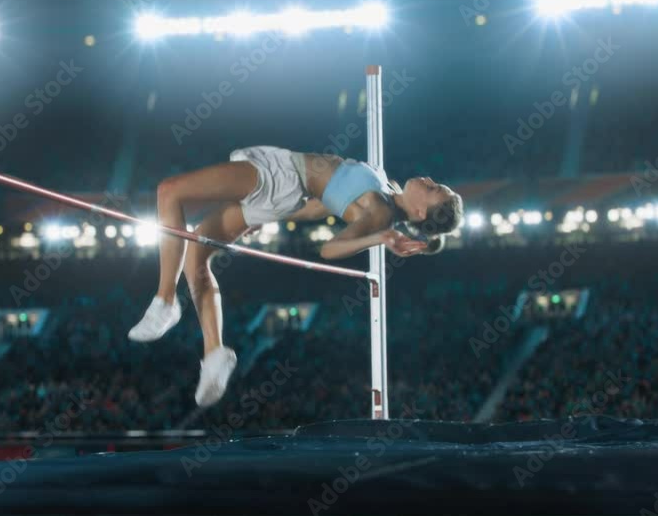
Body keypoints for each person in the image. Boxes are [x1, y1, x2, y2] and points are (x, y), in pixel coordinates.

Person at [128, 146, 463, 406]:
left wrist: (381, 238)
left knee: (169, 191)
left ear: (420, 212)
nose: (429, 181)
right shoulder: (385, 191)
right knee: (196, 258)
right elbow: (323, 204)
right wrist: (269, 214)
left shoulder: (380, 212)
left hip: (282, 177)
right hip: (284, 189)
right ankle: (215, 354)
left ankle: (165, 300)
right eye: (437, 184)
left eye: (434, 189)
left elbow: (330, 250)